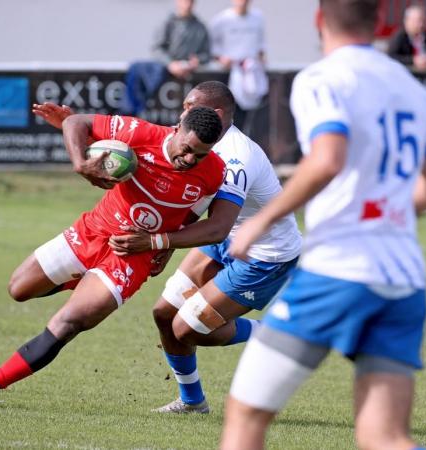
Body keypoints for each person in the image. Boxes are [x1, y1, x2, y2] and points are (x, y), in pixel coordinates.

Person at [220, 0, 426, 449]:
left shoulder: (322, 78)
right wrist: (384, 208)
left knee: (246, 413)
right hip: (404, 278)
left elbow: (327, 159)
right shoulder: (409, 86)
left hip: (339, 270)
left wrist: (261, 221)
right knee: (384, 437)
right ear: (377, 23)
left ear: (319, 21)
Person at [0, 106, 225, 407]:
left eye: (199, 155)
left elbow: (194, 215)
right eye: (187, 149)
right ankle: (84, 281)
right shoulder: (138, 133)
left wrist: (163, 244)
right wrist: (80, 163)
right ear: (177, 128)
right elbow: (75, 121)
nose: (189, 160)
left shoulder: (214, 172)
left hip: (131, 256)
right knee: (18, 288)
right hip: (92, 231)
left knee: (69, 322)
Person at [108, 80, 302, 414]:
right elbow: (196, 202)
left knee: (187, 328)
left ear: (215, 113)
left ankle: (278, 334)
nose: (182, 113)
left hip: (265, 255)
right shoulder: (199, 141)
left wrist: (158, 242)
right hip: (228, 239)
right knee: (164, 315)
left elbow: (216, 226)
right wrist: (167, 245)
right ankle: (192, 402)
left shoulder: (237, 157)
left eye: (189, 107)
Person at [122, 0, 211, 115]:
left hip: (189, 76)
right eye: (185, 1)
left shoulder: (200, 27)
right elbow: (157, 49)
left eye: (190, 2)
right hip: (165, 71)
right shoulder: (167, 23)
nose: (187, 4)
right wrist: (170, 64)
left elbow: (206, 54)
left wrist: (197, 61)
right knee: (137, 69)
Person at [210, 0, 268, 134]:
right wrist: (221, 59)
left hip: (252, 74)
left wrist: (260, 59)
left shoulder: (258, 17)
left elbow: (261, 45)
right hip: (229, 75)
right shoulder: (221, 20)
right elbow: (212, 48)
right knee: (231, 116)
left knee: (253, 117)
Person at [387, 3, 426, 71]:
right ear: (407, 21)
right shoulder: (400, 37)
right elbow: (391, 57)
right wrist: (413, 60)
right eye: (417, 21)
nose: (421, 24)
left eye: (423, 20)